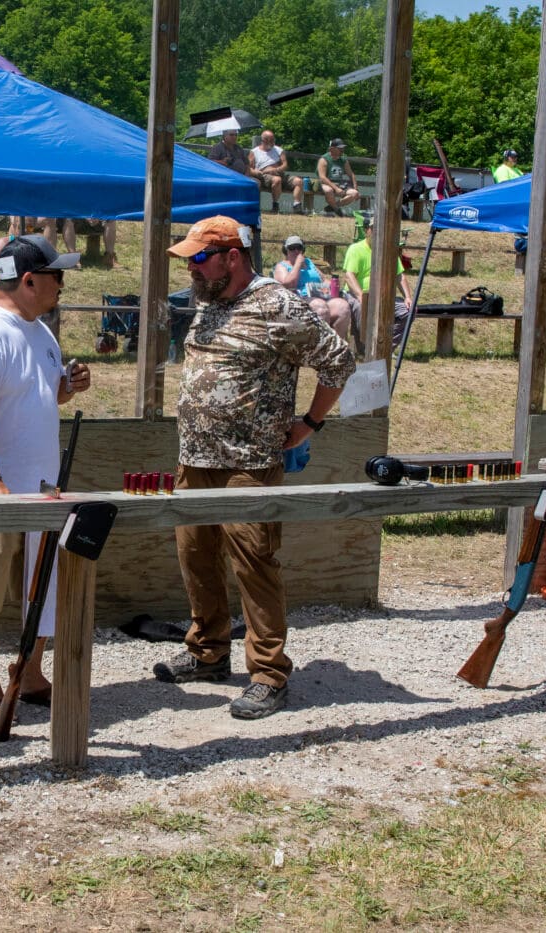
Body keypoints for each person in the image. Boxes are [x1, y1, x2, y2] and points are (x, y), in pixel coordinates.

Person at [153, 216, 355, 720]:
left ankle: (268, 673)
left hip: (248, 464)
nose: (193, 271)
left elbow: (338, 362)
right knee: (196, 558)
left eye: (200, 259)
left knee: (254, 564)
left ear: (233, 257)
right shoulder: (208, 302)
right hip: (194, 459)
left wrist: (308, 423)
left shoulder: (277, 305)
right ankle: (207, 652)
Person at [0, 233, 91, 725]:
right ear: (28, 280)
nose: (62, 284)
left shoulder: (41, 332)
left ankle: (28, 671)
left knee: (41, 585)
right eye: (56, 276)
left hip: (42, 488)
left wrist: (68, 387)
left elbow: (45, 396)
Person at [342, 211, 415, 344]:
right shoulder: (355, 249)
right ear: (366, 231)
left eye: (381, 228)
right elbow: (349, 276)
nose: (377, 231)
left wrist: (408, 297)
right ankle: (367, 346)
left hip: (382, 295)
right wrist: (360, 296)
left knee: (408, 311)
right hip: (357, 294)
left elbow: (399, 276)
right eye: (373, 228)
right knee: (362, 307)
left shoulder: (389, 249)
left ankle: (385, 346)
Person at [273, 235, 351, 342]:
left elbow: (323, 279)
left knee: (343, 307)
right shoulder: (281, 266)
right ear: (286, 250)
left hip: (320, 296)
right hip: (298, 301)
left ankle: (338, 346)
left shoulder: (309, 263)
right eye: (292, 248)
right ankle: (321, 348)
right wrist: (297, 265)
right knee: (320, 307)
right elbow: (289, 283)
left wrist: (333, 286)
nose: (296, 251)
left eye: (299, 248)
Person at [249, 131, 304, 215]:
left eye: (273, 140)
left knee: (298, 181)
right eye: (269, 140)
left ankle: (297, 205)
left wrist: (276, 170)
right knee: (277, 180)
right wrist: (256, 172)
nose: (272, 142)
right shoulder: (254, 152)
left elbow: (285, 164)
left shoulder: (279, 150)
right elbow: (249, 168)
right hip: (265, 176)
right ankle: (276, 205)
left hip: (280, 173)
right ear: (263, 140)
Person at [316, 138, 359, 216]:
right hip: (325, 184)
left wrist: (355, 187)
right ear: (332, 149)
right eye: (340, 148)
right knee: (329, 190)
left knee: (354, 193)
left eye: (343, 148)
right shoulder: (324, 159)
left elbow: (351, 174)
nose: (342, 150)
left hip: (340, 184)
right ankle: (337, 211)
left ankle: (331, 208)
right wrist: (336, 188)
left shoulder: (343, 160)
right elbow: (322, 177)